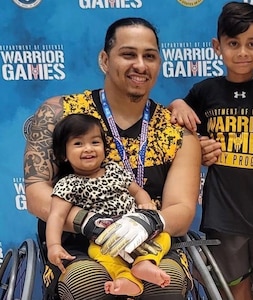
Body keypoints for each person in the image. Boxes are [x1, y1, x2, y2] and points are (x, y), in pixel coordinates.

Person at [24, 17, 201, 300]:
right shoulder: (59, 113)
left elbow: (181, 210)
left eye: (150, 56)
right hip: (78, 246)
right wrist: (89, 222)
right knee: (87, 282)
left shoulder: (178, 131)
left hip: (152, 246)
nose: (141, 65)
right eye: (129, 54)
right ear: (105, 60)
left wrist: (147, 222)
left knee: (164, 284)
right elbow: (36, 193)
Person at [168, 2, 253, 299]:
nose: (243, 52)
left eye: (252, 44)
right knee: (236, 291)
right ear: (217, 46)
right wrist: (178, 105)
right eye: (233, 43)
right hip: (224, 215)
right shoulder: (205, 91)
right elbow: (177, 117)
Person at [46, 113, 171, 297]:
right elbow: (56, 216)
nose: (88, 149)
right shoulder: (69, 183)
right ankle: (125, 279)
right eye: (78, 144)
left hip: (136, 229)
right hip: (105, 239)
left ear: (104, 147)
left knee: (164, 237)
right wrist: (54, 245)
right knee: (103, 256)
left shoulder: (114, 170)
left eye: (95, 142)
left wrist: (145, 203)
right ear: (64, 154)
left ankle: (144, 263)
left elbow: (136, 191)